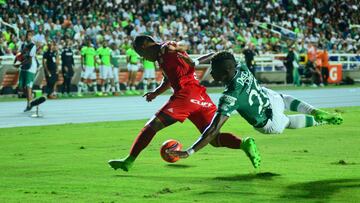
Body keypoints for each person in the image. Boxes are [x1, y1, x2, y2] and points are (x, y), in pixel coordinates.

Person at [108, 36, 260, 172]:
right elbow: (168, 80)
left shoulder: (166, 48)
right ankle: (244, 143)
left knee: (152, 126)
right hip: (200, 97)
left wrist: (180, 47)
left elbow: (182, 45)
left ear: (145, 46)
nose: (144, 59)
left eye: (142, 55)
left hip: (186, 96)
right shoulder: (162, 58)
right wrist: (155, 93)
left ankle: (129, 161)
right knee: (213, 138)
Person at [169, 51, 343, 159]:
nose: (211, 72)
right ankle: (314, 111)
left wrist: (190, 151)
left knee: (288, 122)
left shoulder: (229, 96)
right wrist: (196, 62)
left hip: (268, 122)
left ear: (226, 71)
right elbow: (219, 53)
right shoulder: (241, 66)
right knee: (284, 98)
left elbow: (213, 130)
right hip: (268, 97)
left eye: (214, 70)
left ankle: (321, 121)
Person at [13, 30, 38, 111]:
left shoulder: (33, 46)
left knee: (28, 86)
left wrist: (19, 64)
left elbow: (29, 60)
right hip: (24, 67)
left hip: (31, 67)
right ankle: (31, 98)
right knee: (22, 87)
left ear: (32, 37)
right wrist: (15, 62)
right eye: (28, 35)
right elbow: (19, 54)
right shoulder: (23, 44)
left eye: (31, 35)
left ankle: (29, 103)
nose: (29, 36)